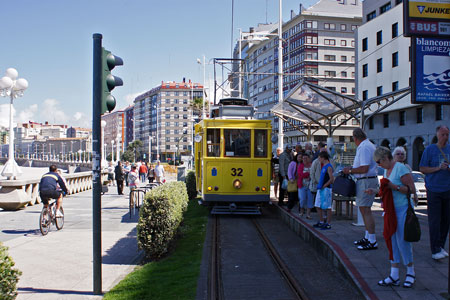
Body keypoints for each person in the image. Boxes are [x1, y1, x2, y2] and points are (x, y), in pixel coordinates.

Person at [369, 146, 416, 288]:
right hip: (391, 211)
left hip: (402, 209)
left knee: (403, 241)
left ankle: (410, 271)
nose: (378, 165)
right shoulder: (387, 170)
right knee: (392, 241)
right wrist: (375, 191)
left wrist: (393, 187)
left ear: (384, 158)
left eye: (378, 162)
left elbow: (411, 190)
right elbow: (386, 189)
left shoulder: (400, 168)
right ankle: (394, 274)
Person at [343, 128, 379, 250]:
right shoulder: (367, 145)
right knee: (364, 210)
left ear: (355, 137)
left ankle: (372, 240)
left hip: (366, 181)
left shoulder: (364, 147)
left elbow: (364, 168)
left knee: (366, 210)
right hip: (365, 180)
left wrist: (350, 170)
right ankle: (368, 237)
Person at [419, 125, 450, 260]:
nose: (445, 137)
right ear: (437, 135)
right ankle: (435, 249)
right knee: (434, 220)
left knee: (446, 220)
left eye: (447, 135)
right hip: (434, 189)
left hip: (447, 189)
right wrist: (438, 168)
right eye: (443, 134)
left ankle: (441, 246)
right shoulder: (430, 150)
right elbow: (423, 168)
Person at [313, 152, 334, 230]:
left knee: (328, 206)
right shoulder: (324, 166)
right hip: (321, 188)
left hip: (326, 189)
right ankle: (321, 221)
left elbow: (332, 179)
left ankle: (328, 223)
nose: (318, 160)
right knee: (318, 205)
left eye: (319, 158)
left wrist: (324, 186)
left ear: (323, 158)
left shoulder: (329, 167)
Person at [298, 152, 313, 218]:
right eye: (303, 158)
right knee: (302, 199)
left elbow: (314, 174)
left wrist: (308, 175)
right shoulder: (300, 166)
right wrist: (308, 174)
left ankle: (308, 214)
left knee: (310, 199)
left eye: (306, 158)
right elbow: (300, 175)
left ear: (309, 159)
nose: (304, 159)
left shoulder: (312, 165)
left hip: (310, 186)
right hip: (302, 185)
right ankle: (301, 211)